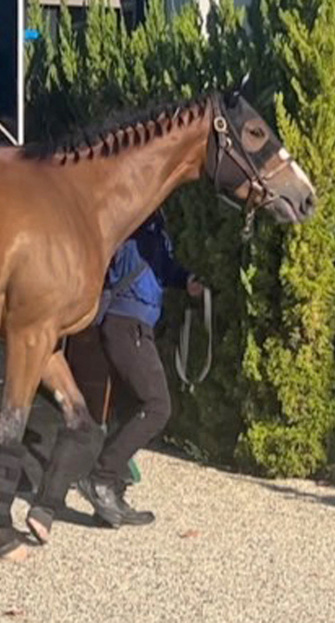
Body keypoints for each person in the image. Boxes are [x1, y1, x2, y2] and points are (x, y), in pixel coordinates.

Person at [31, 210, 203, 532]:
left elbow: (162, 268)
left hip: (137, 324)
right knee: (157, 406)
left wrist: (186, 280)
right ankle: (101, 479)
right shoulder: (132, 216)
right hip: (126, 323)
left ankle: (108, 495)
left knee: (127, 408)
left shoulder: (156, 221)